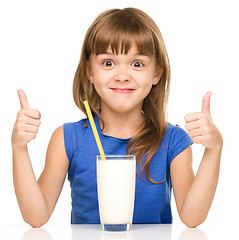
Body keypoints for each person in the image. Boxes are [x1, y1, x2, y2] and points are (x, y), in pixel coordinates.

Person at [11, 8, 223, 228]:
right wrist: (19, 148)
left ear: (157, 73)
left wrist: (214, 149)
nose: (122, 76)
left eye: (137, 64)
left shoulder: (172, 141)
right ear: (89, 72)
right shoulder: (67, 139)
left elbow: (192, 217)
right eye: (108, 63)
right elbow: (36, 216)